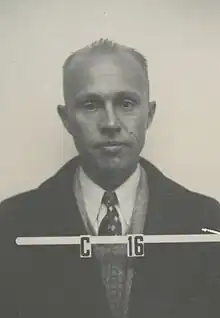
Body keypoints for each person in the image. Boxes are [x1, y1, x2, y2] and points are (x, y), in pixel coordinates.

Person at [0, 39, 220, 318]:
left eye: (126, 103)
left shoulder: (208, 223)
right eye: (90, 105)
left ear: (149, 115)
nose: (111, 123)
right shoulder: (10, 225)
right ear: (66, 118)